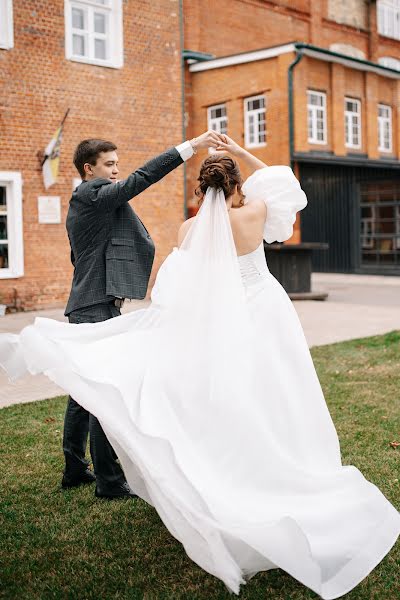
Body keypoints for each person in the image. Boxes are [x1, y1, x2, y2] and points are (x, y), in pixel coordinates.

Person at [1, 135, 399, 599]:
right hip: (267, 318)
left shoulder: (189, 232)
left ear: (202, 191)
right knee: (280, 395)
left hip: (220, 326)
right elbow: (283, 181)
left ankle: (229, 470)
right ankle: (289, 461)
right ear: (237, 187)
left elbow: (173, 293)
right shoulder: (255, 213)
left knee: (230, 399)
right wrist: (240, 154)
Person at [62, 130, 223, 498]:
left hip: (89, 305)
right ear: (89, 169)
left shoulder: (86, 200)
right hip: (95, 309)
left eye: (117, 163)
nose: (117, 170)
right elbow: (143, 178)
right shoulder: (93, 194)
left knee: (81, 394)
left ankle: (74, 469)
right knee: (105, 395)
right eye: (110, 165)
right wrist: (189, 148)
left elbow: (80, 256)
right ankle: (109, 481)